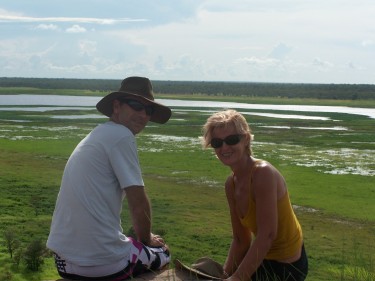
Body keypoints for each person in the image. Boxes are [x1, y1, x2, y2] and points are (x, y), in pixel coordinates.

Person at [47, 76, 172, 280]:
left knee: (128, 242)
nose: (143, 115)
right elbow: (137, 201)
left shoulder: (98, 135)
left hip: (64, 262)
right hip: (101, 263)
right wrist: (146, 239)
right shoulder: (122, 136)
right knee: (163, 253)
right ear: (116, 106)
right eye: (136, 105)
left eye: (148, 110)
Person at [202, 109, 308, 281]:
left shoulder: (262, 173)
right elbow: (240, 240)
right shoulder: (231, 184)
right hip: (262, 256)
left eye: (231, 140)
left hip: (287, 264)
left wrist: (236, 278)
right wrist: (224, 275)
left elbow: (267, 235)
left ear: (246, 139)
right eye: (217, 143)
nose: (224, 147)